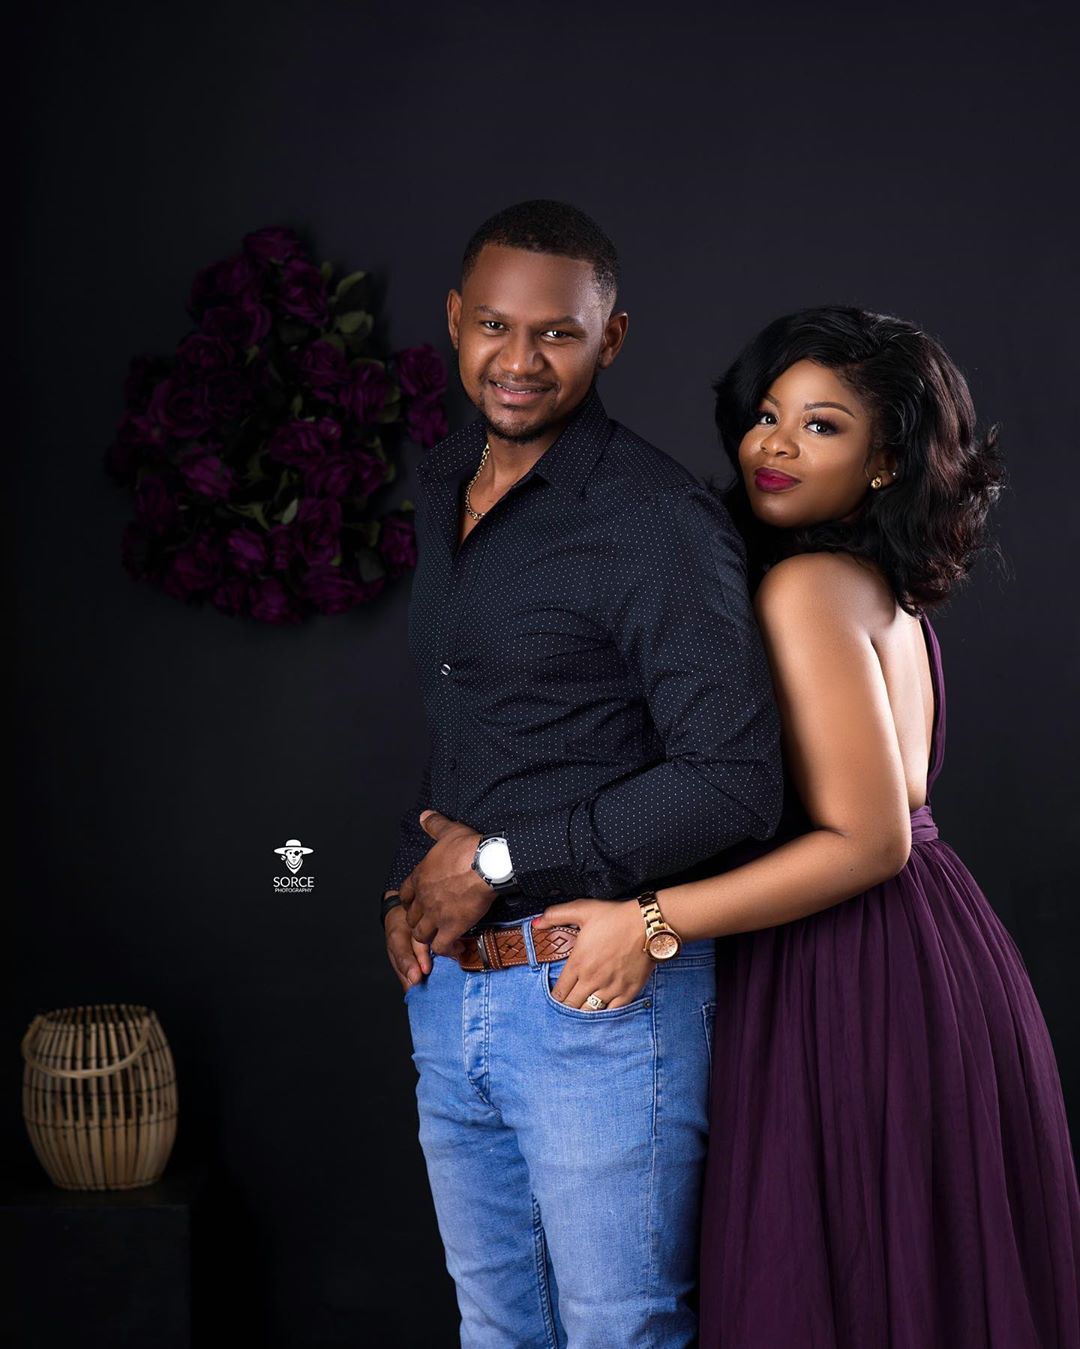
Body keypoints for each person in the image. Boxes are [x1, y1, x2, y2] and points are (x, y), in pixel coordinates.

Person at [533, 305, 1080, 1348]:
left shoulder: (807, 586)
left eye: (822, 425)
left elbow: (869, 839)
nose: (774, 445)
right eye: (768, 414)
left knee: (832, 1277)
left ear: (887, 463)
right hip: (927, 954)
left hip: (851, 964)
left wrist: (648, 919)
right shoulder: (876, 586)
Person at [379, 199, 783, 1347]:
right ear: (455, 320)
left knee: (619, 1329)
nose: (519, 359)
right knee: (496, 1328)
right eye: (495, 325)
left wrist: (497, 861)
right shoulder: (443, 482)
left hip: (597, 1001)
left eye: (557, 332)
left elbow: (732, 778)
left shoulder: (655, 520)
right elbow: (485, 727)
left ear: (611, 339)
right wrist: (417, 885)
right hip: (451, 985)